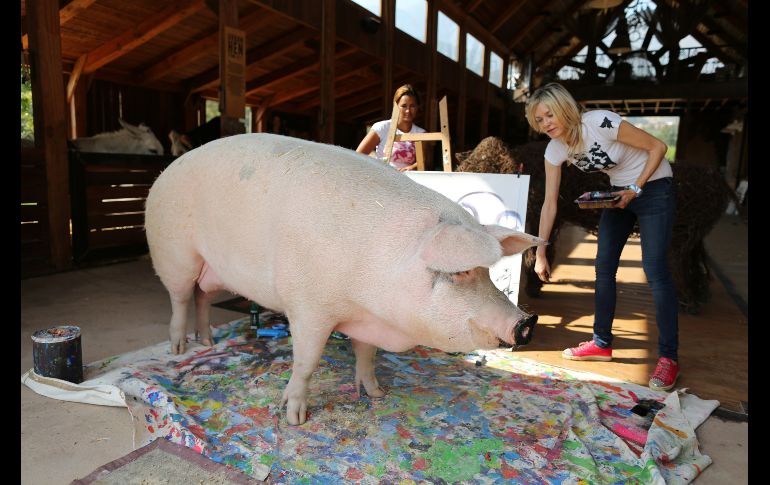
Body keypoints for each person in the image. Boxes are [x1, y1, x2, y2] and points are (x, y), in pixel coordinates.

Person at [525, 82, 679, 392]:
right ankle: (602, 343)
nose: (546, 124)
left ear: (564, 107)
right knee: (603, 266)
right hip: (619, 193)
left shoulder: (599, 123)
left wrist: (636, 188)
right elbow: (549, 203)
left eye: (550, 114)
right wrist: (540, 251)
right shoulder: (555, 149)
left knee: (655, 270)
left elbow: (658, 148)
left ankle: (668, 358)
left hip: (654, 186)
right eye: (539, 120)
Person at [356, 84, 426, 171]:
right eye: (404, 106)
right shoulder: (382, 127)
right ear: (395, 106)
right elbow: (358, 156)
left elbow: (424, 163)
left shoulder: (421, 134)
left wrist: (411, 167)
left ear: (417, 107)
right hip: (382, 179)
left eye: (412, 106)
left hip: (408, 181)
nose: (408, 110)